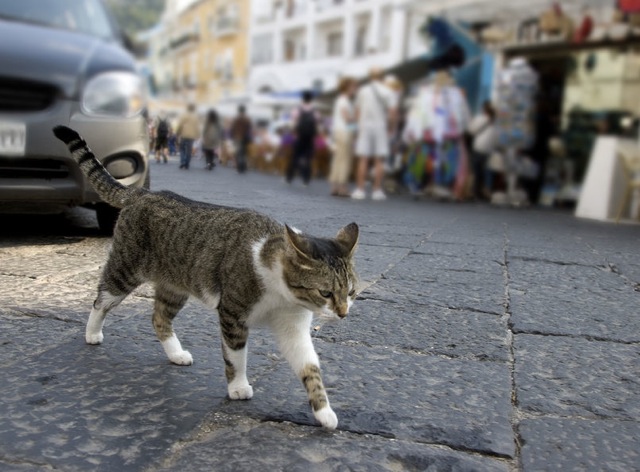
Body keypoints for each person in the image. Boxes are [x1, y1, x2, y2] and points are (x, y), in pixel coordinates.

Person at [352, 67, 397, 200]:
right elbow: (392, 112)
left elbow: (357, 111)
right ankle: (377, 190)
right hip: (380, 126)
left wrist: (359, 127)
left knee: (363, 159)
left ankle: (360, 190)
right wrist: (391, 128)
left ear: (370, 76)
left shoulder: (363, 91)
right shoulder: (388, 91)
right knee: (379, 159)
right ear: (382, 77)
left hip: (365, 126)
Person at [329, 77, 357, 197]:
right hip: (345, 132)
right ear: (348, 87)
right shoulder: (344, 101)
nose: (355, 89)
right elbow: (347, 118)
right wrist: (358, 117)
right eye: (354, 86)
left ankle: (335, 187)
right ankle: (342, 188)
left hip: (338, 131)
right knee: (345, 159)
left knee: (338, 159)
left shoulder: (340, 100)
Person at [287, 90, 319, 186]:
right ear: (311, 99)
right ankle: (306, 179)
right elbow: (317, 123)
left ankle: (289, 177)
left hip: (299, 137)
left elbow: (292, 123)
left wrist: (293, 133)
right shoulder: (314, 111)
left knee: (295, 157)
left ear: (303, 99)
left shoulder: (298, 110)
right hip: (309, 138)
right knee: (307, 158)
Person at [468, 100, 497, 200]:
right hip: (489, 150)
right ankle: (483, 192)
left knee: (476, 171)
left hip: (479, 147)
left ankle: (475, 192)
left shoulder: (479, 118)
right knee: (485, 172)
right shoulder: (496, 122)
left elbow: (471, 130)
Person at [175, 103, 200, 170]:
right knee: (189, 150)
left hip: (184, 134)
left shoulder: (184, 115)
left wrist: (177, 132)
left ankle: (182, 162)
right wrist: (198, 135)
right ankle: (187, 163)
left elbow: (180, 125)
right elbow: (197, 127)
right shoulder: (196, 117)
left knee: (182, 149)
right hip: (191, 136)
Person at [230, 105, 252, 173]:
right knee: (243, 153)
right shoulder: (247, 119)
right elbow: (249, 129)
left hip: (238, 137)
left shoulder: (236, 119)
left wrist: (232, 136)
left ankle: (240, 167)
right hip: (245, 138)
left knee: (238, 153)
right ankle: (243, 167)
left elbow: (232, 129)